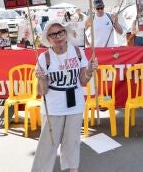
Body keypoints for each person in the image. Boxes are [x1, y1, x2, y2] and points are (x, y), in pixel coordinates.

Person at [31, 20, 98, 172]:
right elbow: (42, 91)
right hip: (53, 108)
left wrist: (89, 70)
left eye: (60, 32)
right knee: (48, 144)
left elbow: (83, 81)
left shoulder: (78, 53)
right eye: (53, 34)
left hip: (75, 105)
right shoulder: (44, 58)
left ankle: (72, 169)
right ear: (48, 39)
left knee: (72, 142)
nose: (58, 37)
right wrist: (41, 77)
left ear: (66, 34)